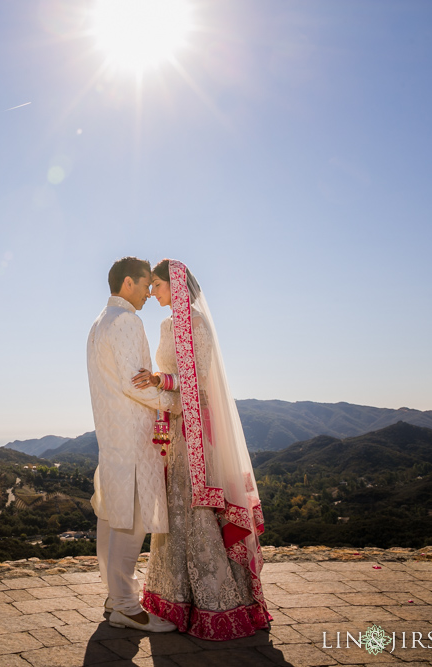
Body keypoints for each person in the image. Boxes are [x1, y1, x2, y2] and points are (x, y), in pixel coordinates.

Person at [131, 259, 272, 640]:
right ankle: (173, 597)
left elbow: (199, 381)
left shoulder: (196, 323)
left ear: (174, 285)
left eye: (157, 285)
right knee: (175, 510)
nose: (153, 291)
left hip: (195, 432)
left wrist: (160, 379)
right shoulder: (165, 325)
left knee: (195, 512)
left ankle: (216, 602)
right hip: (175, 430)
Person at [86, 256, 181, 632]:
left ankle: (114, 598)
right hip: (133, 437)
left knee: (113, 518)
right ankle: (126, 605)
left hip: (112, 437)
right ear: (128, 283)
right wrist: (175, 404)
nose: (147, 293)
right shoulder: (127, 320)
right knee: (133, 521)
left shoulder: (99, 323)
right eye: (145, 285)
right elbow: (133, 382)